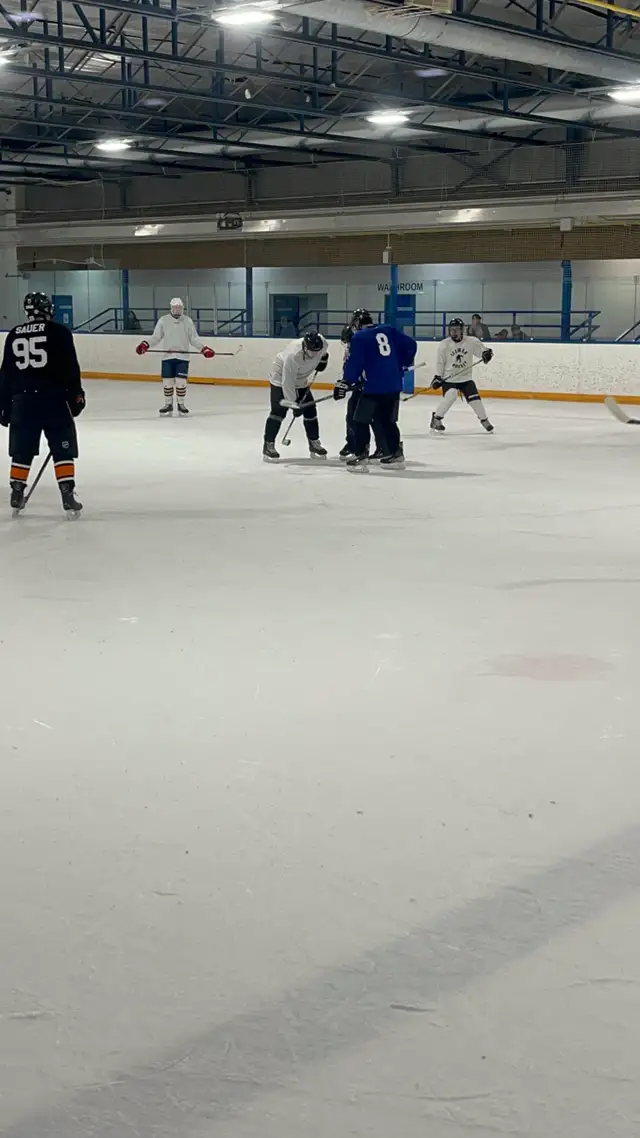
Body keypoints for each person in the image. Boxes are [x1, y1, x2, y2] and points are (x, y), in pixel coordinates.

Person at [0, 291, 85, 514]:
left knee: (21, 450)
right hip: (53, 401)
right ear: (47, 308)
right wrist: (76, 397)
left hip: (22, 402)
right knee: (63, 448)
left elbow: (6, 374)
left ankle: (17, 491)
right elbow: (70, 369)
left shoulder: (14, 335)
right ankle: (67, 494)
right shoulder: (59, 332)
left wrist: (4, 406)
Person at [334, 310, 416, 470]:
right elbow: (411, 345)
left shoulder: (359, 337)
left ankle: (360, 456)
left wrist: (346, 381)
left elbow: (355, 363)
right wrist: (402, 364)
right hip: (393, 385)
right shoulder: (388, 330)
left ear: (357, 324)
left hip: (373, 386)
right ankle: (395, 455)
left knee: (359, 420)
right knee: (387, 421)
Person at [135, 298, 214, 416]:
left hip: (182, 357)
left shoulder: (187, 321)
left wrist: (204, 349)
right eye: (175, 307)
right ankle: (168, 404)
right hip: (168, 356)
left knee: (181, 382)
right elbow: (156, 337)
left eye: (179, 308)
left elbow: (194, 339)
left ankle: (181, 404)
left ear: (182, 308)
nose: (177, 310)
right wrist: (145, 344)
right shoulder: (163, 320)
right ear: (171, 308)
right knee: (167, 382)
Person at [263, 331, 329, 462]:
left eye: (318, 351)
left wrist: (323, 359)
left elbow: (325, 353)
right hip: (280, 379)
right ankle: (268, 445)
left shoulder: (323, 344)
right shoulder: (293, 355)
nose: (314, 354)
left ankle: (314, 443)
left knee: (311, 411)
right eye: (312, 351)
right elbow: (287, 382)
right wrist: (294, 404)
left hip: (302, 380)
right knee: (278, 412)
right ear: (305, 347)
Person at [338, 312, 390, 462]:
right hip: (362, 385)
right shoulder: (354, 338)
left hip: (372, 386)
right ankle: (354, 444)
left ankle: (377, 447)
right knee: (353, 416)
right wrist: (348, 380)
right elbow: (350, 364)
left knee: (373, 418)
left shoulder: (366, 339)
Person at [430, 317, 494, 434]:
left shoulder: (471, 341)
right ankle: (436, 419)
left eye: (456, 329)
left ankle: (484, 420)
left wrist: (487, 354)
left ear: (462, 330)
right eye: (452, 329)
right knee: (451, 396)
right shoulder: (444, 344)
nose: (454, 332)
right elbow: (440, 362)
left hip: (466, 378)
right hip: (450, 379)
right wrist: (438, 377)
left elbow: (483, 351)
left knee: (475, 400)